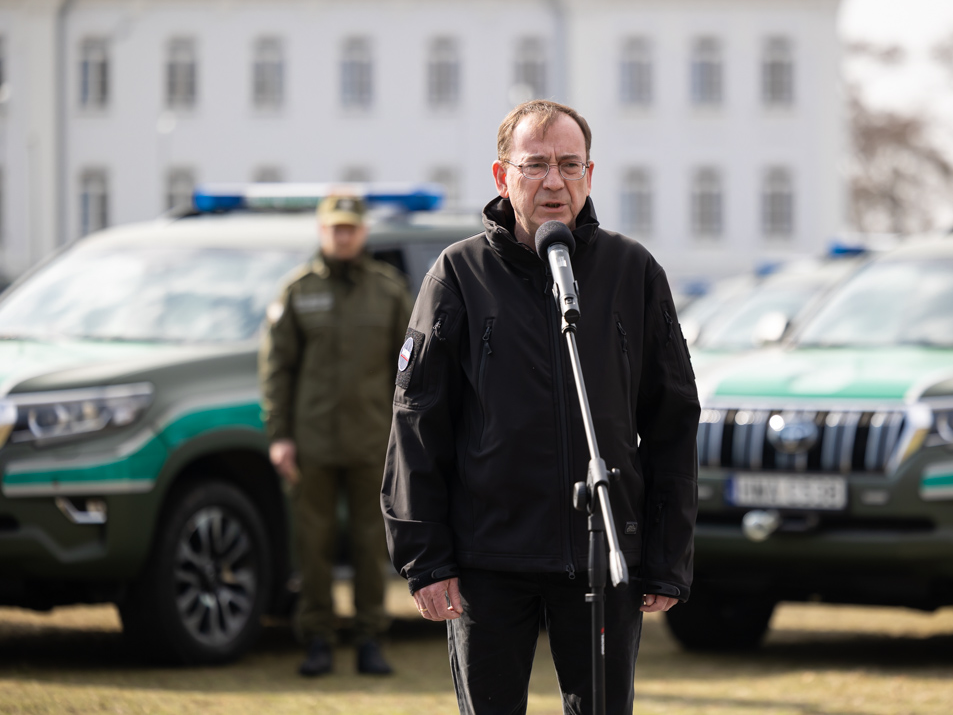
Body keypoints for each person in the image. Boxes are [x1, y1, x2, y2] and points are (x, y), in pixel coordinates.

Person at [382, 100, 700, 714]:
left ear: (589, 175)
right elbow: (417, 424)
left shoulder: (632, 271)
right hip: (488, 559)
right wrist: (426, 560)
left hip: (602, 554)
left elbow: (672, 421)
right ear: (502, 177)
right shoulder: (459, 274)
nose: (555, 181)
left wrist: (667, 554)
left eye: (569, 165)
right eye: (535, 165)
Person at [261, 194, 413, 677]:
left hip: (373, 440)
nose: (342, 236)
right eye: (334, 228)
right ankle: (318, 639)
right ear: (322, 231)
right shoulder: (297, 290)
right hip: (313, 442)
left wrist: (405, 436)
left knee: (371, 544)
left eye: (350, 228)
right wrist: (280, 435)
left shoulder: (388, 291)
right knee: (313, 544)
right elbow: (277, 369)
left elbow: (409, 368)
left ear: (363, 232)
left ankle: (370, 638)